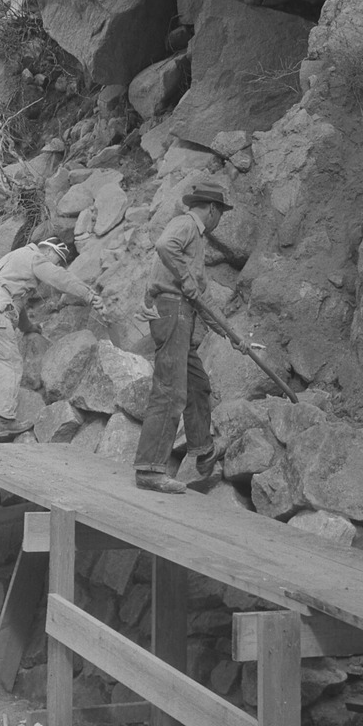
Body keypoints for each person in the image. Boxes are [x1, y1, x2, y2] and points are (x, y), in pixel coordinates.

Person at [0, 220, 106, 438]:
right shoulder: (36, 257)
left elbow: (13, 302)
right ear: (49, 250)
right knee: (6, 363)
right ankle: (3, 419)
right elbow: (59, 278)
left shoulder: (13, 257)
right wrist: (88, 294)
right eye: (56, 260)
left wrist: (28, 327)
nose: (56, 265)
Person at [134, 176, 230, 495]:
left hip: (181, 311)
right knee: (170, 390)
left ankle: (202, 451)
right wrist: (187, 279)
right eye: (221, 214)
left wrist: (233, 336)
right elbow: (164, 247)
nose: (219, 221)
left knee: (197, 384)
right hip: (173, 310)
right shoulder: (187, 224)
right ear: (213, 210)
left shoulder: (193, 238)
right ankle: (149, 470)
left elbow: (200, 299)